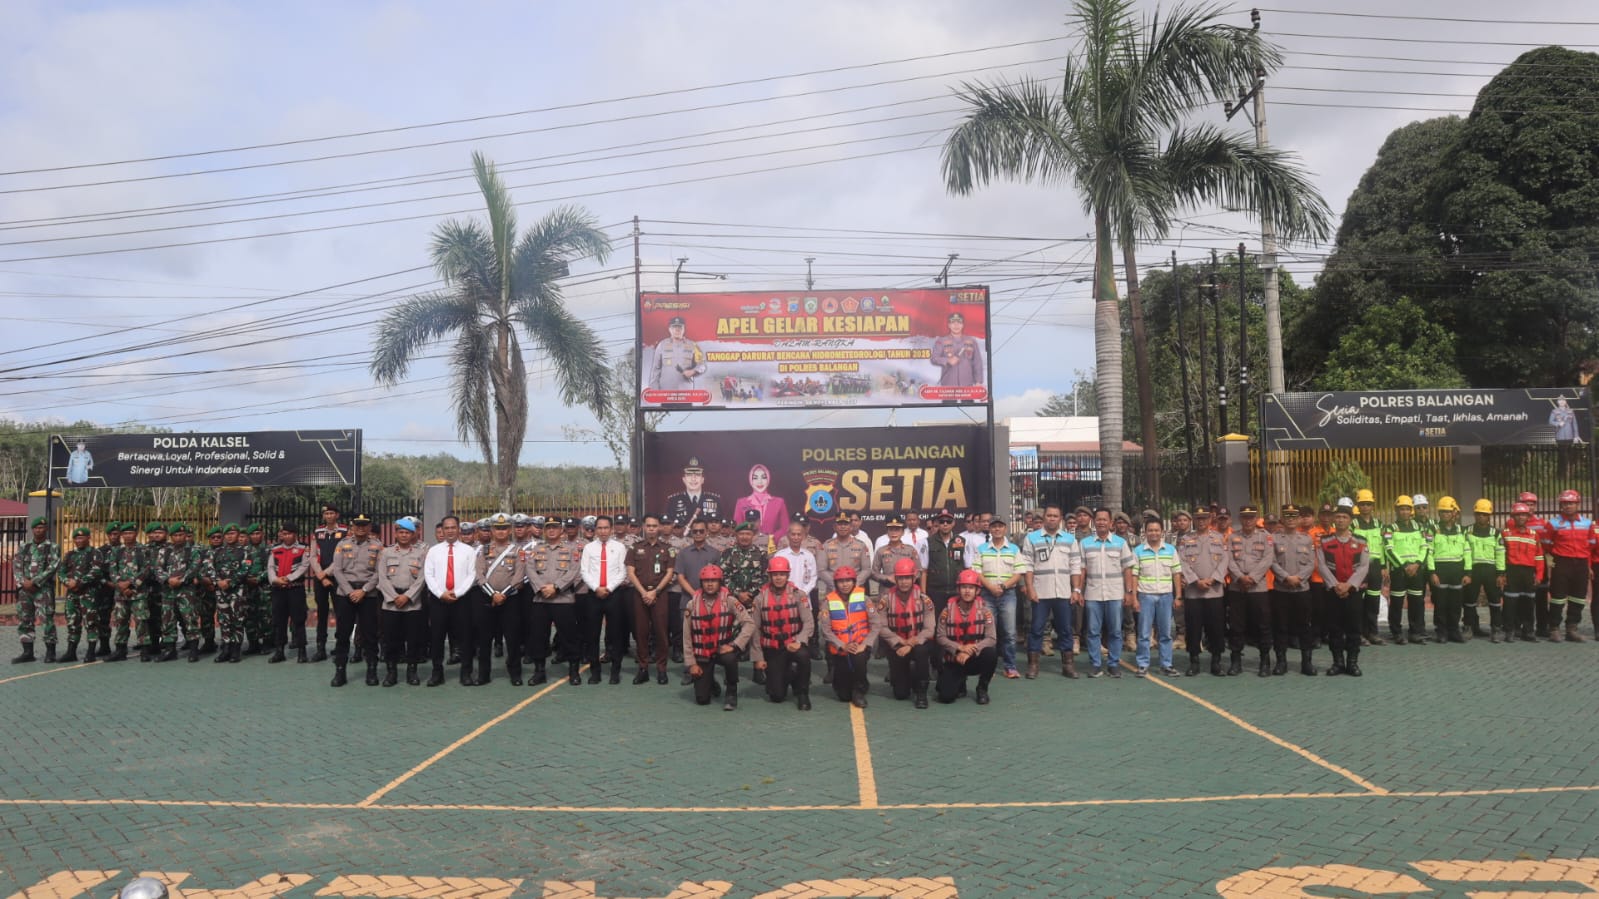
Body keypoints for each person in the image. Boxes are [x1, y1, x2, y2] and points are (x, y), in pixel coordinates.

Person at [1022, 505, 1082, 679]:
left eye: (1055, 516)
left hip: (1063, 592)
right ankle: (1033, 665)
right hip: (1040, 592)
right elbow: (1027, 565)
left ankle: (1068, 665)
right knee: (1036, 629)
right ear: (1044, 517)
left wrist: (1076, 589)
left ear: (1060, 518)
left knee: (1065, 630)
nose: (1052, 518)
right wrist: (1030, 588)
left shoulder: (1070, 539)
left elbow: (1075, 566)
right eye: (1049, 515)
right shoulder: (1031, 538)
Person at [682, 565, 752, 710]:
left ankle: (731, 692)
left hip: (723, 649)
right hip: (702, 652)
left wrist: (735, 645)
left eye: (713, 581)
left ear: (720, 582)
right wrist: (691, 664)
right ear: (701, 583)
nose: (710, 584)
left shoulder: (730, 601)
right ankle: (711, 683)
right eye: (706, 581)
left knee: (731, 658)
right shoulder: (691, 604)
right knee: (702, 699)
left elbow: (749, 624)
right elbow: (686, 636)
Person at [750, 556, 814, 709]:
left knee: (803, 656)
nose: (778, 578)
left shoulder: (799, 595)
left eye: (782, 574)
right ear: (770, 575)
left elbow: (809, 623)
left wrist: (799, 641)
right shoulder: (760, 598)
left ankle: (802, 692)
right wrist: (758, 657)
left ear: (787, 575)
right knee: (776, 696)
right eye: (775, 574)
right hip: (772, 648)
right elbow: (755, 630)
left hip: (793, 643)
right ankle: (789, 674)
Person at [1317, 498, 1371, 677]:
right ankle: (1337, 662)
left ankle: (1352, 663)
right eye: (1338, 517)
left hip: (1353, 592)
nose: (1340, 520)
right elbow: (1322, 565)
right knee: (1335, 628)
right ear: (1334, 519)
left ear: (1350, 520)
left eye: (1344, 517)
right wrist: (1335, 585)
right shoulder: (1324, 541)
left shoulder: (1361, 541)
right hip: (1333, 592)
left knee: (1354, 629)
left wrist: (1349, 585)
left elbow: (1363, 567)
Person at [470, 514, 525, 686]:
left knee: (513, 638)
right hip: (488, 600)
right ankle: (483, 674)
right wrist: (493, 594)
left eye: (504, 528)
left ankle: (515, 673)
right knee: (484, 639)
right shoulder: (484, 550)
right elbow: (479, 575)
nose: (501, 531)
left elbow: (519, 577)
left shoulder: (517, 551)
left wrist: (503, 595)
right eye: (497, 528)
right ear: (492, 530)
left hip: (510, 601)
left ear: (510, 530)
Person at [526, 516, 582, 686]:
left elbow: (574, 571)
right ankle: (539, 671)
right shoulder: (536, 549)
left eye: (555, 527)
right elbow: (530, 570)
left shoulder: (571, 550)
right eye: (548, 527)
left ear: (561, 530)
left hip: (563, 600)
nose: (551, 530)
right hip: (540, 600)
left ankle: (574, 671)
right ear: (544, 530)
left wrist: (556, 587)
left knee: (569, 636)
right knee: (538, 636)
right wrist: (542, 588)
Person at [1079, 509, 1134, 678]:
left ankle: (1113, 664)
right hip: (1093, 594)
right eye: (1098, 519)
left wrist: (1129, 591)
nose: (1101, 522)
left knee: (1115, 631)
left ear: (1111, 523)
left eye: (1105, 520)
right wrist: (1078, 591)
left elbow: (1128, 569)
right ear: (1094, 522)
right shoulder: (1085, 543)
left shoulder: (1120, 543)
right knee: (1093, 631)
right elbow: (1082, 570)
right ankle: (1095, 665)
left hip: (1115, 594)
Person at [424, 516, 478, 687]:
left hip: (461, 600)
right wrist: (441, 593)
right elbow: (428, 575)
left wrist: (457, 593)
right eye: (446, 528)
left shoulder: (468, 551)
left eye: (453, 527)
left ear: (458, 529)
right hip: (439, 600)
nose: (450, 531)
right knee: (437, 637)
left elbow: (472, 574)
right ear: (442, 530)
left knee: (465, 638)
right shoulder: (433, 551)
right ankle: (437, 673)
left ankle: (466, 673)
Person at [876, 557, 937, 708]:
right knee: (900, 694)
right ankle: (906, 674)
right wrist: (899, 641)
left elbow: (930, 629)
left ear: (913, 578)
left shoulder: (924, 600)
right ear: (895, 579)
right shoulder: (886, 600)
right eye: (900, 578)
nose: (904, 582)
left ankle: (921, 691)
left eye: (907, 578)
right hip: (897, 645)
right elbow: (881, 626)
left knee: (922, 652)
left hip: (917, 643)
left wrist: (911, 644)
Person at [375, 517, 428, 686]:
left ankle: (412, 672)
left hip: (412, 603)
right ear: (396, 534)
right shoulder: (386, 552)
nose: (404, 535)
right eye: (401, 532)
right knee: (391, 640)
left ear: (413, 535)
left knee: (413, 640)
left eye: (407, 532)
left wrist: (408, 596)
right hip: (391, 603)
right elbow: (382, 577)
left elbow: (422, 578)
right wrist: (394, 597)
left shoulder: (420, 554)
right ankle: (391, 673)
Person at [626, 514, 676, 685]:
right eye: (648, 526)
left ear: (659, 527)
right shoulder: (634, 547)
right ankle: (643, 668)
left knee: (661, 633)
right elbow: (630, 572)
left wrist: (655, 591)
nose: (651, 529)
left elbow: (669, 573)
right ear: (643, 527)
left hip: (660, 595)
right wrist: (643, 592)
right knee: (641, 633)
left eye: (654, 526)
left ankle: (662, 669)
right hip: (640, 595)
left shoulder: (668, 548)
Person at [580, 515, 630, 684]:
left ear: (611, 529)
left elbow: (622, 572)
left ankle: (615, 671)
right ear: (595, 530)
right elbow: (584, 571)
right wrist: (596, 588)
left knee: (615, 634)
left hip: (613, 594)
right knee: (592, 635)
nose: (603, 531)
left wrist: (609, 588)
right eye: (599, 528)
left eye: (606, 528)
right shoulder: (589, 548)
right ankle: (595, 672)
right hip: (593, 595)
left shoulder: (620, 547)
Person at [975, 516, 1027, 679]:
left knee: (1010, 633)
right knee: (989, 632)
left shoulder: (1014, 549)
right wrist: (991, 587)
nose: (997, 529)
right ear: (990, 529)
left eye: (1000, 526)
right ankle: (987, 667)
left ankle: (1010, 666)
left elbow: (1019, 573)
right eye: (994, 526)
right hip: (987, 594)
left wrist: (1003, 586)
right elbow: (977, 572)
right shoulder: (982, 548)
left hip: (1008, 595)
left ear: (1005, 528)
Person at [934, 569, 998, 704]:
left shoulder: (985, 612)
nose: (967, 591)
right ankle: (959, 683)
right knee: (945, 697)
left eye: (971, 588)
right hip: (954, 659)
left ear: (977, 591)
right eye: (964, 587)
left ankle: (982, 688)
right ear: (958, 589)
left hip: (974, 658)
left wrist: (971, 650)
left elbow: (991, 638)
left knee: (991, 653)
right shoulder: (947, 611)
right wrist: (959, 648)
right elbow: (940, 636)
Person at [1177, 508, 1227, 676]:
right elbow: (1182, 562)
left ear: (1210, 519)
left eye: (1204, 518)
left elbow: (1224, 561)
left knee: (1216, 628)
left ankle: (1216, 662)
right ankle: (1194, 662)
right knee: (1193, 628)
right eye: (1198, 518)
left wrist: (1213, 579)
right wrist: (1195, 581)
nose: (1201, 521)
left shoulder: (1219, 538)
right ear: (1194, 520)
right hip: (1194, 592)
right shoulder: (1186, 539)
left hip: (1214, 591)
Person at [1227, 505, 1276, 677]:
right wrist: (1240, 577)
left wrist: (1252, 578)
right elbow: (1229, 560)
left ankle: (1265, 661)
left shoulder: (1266, 537)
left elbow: (1267, 559)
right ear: (1240, 519)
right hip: (1237, 587)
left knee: (1263, 625)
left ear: (1256, 519)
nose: (1248, 521)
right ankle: (1235, 661)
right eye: (1245, 517)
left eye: (1251, 517)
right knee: (1236, 625)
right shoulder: (1232, 537)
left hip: (1258, 587)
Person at [1269, 505, 1318, 676]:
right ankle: (1281, 662)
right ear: (1282, 519)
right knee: (1280, 626)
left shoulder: (1307, 539)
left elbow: (1311, 563)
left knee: (1304, 627)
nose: (1290, 519)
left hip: (1301, 589)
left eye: (1294, 516)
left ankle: (1307, 662)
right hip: (1281, 589)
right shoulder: (1274, 539)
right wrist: (1286, 578)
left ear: (1298, 519)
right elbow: (1272, 561)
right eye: (1287, 516)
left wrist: (1299, 578)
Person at [1131, 516, 1180, 678]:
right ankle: (1142, 664)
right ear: (1145, 532)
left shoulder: (1171, 550)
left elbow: (1176, 574)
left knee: (1165, 633)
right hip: (1146, 596)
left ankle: (1166, 665)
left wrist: (1178, 596)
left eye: (1156, 530)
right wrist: (1134, 598)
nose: (1153, 533)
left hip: (1166, 596)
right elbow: (1134, 575)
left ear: (1162, 532)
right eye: (1150, 530)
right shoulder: (1138, 551)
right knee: (1144, 633)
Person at [1541, 489, 1592, 642]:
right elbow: (1546, 544)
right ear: (1561, 505)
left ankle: (1572, 628)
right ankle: (1554, 629)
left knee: (1579, 597)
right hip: (1562, 562)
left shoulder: (1587, 523)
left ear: (1578, 504)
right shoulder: (1553, 523)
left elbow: (1590, 545)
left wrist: (1588, 565)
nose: (1568, 506)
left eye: (1571, 503)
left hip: (1581, 563)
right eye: (1565, 503)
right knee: (1557, 597)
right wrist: (1557, 555)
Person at [674, 518, 722, 674]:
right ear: (691, 533)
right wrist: (695, 594)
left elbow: (719, 578)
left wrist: (704, 595)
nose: (698, 533)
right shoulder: (683, 553)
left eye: (701, 531)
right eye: (695, 531)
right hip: (688, 600)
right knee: (688, 637)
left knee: (708, 636)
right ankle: (689, 668)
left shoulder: (715, 553)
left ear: (706, 532)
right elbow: (680, 577)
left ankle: (708, 670)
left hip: (711, 602)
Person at [820, 565, 874, 707]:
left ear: (854, 582)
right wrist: (842, 645)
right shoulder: (828, 602)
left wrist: (865, 644)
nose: (845, 584)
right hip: (839, 649)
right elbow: (826, 630)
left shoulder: (865, 600)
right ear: (836, 583)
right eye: (841, 581)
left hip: (859, 647)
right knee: (843, 695)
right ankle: (844, 679)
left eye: (848, 581)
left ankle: (859, 690)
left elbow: (876, 624)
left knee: (859, 659)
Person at [11, 516, 59, 663]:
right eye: (36, 528)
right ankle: (28, 652)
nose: (39, 530)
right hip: (25, 591)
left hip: (43, 590)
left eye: (42, 527)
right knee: (25, 619)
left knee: (47, 620)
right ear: (32, 529)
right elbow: (16, 566)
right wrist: (22, 582)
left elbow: (53, 567)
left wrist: (34, 582)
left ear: (46, 529)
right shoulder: (24, 547)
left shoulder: (52, 547)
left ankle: (50, 652)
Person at [1383, 496, 1430, 645]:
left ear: (1411, 511)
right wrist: (1404, 566)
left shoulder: (1419, 528)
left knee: (1416, 602)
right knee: (1396, 603)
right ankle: (1396, 633)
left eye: (1407, 509)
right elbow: (1388, 549)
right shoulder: (1390, 529)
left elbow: (1425, 547)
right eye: (1401, 509)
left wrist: (1417, 564)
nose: (1404, 512)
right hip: (1399, 571)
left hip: (1416, 570)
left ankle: (1415, 633)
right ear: (1396, 511)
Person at [207, 524, 255, 665]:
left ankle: (236, 650)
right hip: (221, 591)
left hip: (237, 590)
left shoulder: (245, 552)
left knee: (237, 619)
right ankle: (226, 649)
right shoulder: (217, 551)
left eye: (233, 533)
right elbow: (209, 568)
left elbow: (245, 569)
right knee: (224, 620)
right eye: (227, 534)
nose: (230, 536)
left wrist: (231, 582)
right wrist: (218, 581)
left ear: (238, 535)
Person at [153, 522, 201, 663]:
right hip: (168, 591)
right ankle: (170, 650)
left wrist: (182, 580)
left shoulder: (193, 551)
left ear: (186, 536)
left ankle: (193, 650)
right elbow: (157, 569)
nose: (179, 538)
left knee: (190, 619)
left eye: (181, 535)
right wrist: (168, 580)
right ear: (171, 537)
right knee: (168, 620)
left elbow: (195, 567)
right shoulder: (164, 551)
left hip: (186, 591)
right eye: (175, 535)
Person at [1428, 497, 1472, 645]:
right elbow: (1429, 552)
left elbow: (1467, 552)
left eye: (1448, 512)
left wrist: (1468, 573)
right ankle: (1441, 632)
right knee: (1440, 603)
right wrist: (1432, 572)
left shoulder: (1462, 530)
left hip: (1457, 571)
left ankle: (1454, 631)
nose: (1445, 514)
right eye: (1442, 512)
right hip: (1440, 571)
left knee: (1455, 603)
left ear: (1454, 513)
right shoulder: (1433, 529)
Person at [307, 505, 347, 662]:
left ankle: (339, 647)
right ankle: (320, 648)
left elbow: (343, 555)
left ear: (337, 515)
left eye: (331, 513)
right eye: (326, 513)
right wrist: (320, 574)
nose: (329, 516)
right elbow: (312, 555)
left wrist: (327, 573)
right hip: (320, 578)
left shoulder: (344, 531)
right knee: (322, 612)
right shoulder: (318, 532)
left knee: (340, 613)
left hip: (338, 577)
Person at [267, 523, 311, 664]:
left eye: (289, 534)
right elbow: (270, 567)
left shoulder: (303, 548)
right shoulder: (275, 549)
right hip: (279, 589)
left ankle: (302, 651)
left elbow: (304, 566)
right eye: (284, 534)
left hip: (295, 589)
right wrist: (275, 580)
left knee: (299, 620)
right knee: (279, 621)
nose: (286, 536)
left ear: (295, 534)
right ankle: (279, 651)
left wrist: (289, 578)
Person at [58, 526, 102, 663]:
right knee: (72, 622)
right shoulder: (70, 554)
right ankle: (71, 652)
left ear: (88, 538)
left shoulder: (95, 553)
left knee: (91, 622)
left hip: (88, 593)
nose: (78, 540)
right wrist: (67, 582)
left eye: (81, 537)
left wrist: (78, 582)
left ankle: (91, 652)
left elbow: (96, 571)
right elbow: (61, 571)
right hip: (72, 594)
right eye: (76, 538)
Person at [1465, 500, 1506, 642]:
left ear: (1489, 516)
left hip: (1491, 570)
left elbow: (1500, 554)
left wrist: (1500, 574)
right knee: (1469, 601)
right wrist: (1467, 573)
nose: (1481, 516)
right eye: (1478, 514)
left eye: (1484, 514)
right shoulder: (1467, 531)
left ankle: (1496, 629)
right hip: (1473, 570)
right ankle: (1469, 627)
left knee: (1495, 601)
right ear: (1474, 514)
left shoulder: (1496, 533)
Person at [1502, 503, 1544, 642]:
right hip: (1512, 571)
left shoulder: (1534, 535)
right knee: (1510, 603)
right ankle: (1510, 631)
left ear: (1528, 517)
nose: (1521, 517)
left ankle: (1528, 631)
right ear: (1513, 517)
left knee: (1528, 603)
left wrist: (1539, 575)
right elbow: (1501, 555)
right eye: (1518, 515)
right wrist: (1502, 574)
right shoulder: (1505, 533)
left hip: (1528, 572)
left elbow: (1539, 557)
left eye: (1524, 515)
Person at [106, 524, 148, 662]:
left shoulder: (143, 550)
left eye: (131, 533)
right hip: (121, 594)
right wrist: (121, 585)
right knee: (120, 621)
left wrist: (131, 584)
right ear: (122, 535)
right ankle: (120, 650)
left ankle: (145, 650)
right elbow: (112, 570)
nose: (128, 536)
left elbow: (146, 570)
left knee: (141, 621)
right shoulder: (117, 551)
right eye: (125, 533)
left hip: (138, 593)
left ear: (136, 534)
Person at [1350, 489, 1387, 645]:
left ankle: (1372, 633)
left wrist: (1384, 566)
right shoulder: (1353, 524)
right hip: (1359, 567)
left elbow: (1383, 546)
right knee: (1358, 602)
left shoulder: (1379, 524)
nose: (1365, 507)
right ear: (1358, 506)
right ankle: (1358, 634)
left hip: (1376, 566)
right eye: (1362, 504)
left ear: (1373, 506)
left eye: (1368, 504)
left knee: (1373, 600)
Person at [648, 314, 707, 390]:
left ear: (684, 329)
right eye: (674, 327)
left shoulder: (693, 345)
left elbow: (702, 364)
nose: (677, 330)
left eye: (680, 327)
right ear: (669, 329)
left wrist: (693, 371)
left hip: (686, 392)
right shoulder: (662, 345)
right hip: (665, 392)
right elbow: (656, 369)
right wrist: (654, 390)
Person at [732, 464, 790, 539]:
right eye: (755, 478)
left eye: (764, 477)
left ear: (768, 479)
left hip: (772, 544)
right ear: (751, 480)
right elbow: (737, 528)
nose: (760, 482)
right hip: (748, 543)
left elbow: (785, 527)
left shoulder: (779, 502)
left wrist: (771, 538)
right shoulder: (741, 503)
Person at [870, 515, 922, 598]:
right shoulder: (881, 551)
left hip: (908, 592)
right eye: (891, 530)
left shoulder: (910, 550)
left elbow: (918, 570)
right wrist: (887, 578)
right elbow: (873, 573)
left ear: (903, 532)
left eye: (897, 530)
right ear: (887, 532)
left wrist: (908, 580)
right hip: (887, 591)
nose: (893, 533)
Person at [664, 457, 723, 527]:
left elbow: (720, 525)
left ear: (702, 479)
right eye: (689, 475)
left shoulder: (715, 500)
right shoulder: (673, 501)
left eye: (697, 475)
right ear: (684, 479)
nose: (693, 479)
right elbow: (669, 526)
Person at [930, 311, 984, 386]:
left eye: (959, 322)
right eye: (953, 322)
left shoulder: (971, 341)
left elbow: (977, 362)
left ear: (963, 325)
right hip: (948, 385)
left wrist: (978, 381)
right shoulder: (941, 341)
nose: (956, 325)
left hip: (967, 385)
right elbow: (934, 359)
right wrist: (948, 360)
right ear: (949, 325)